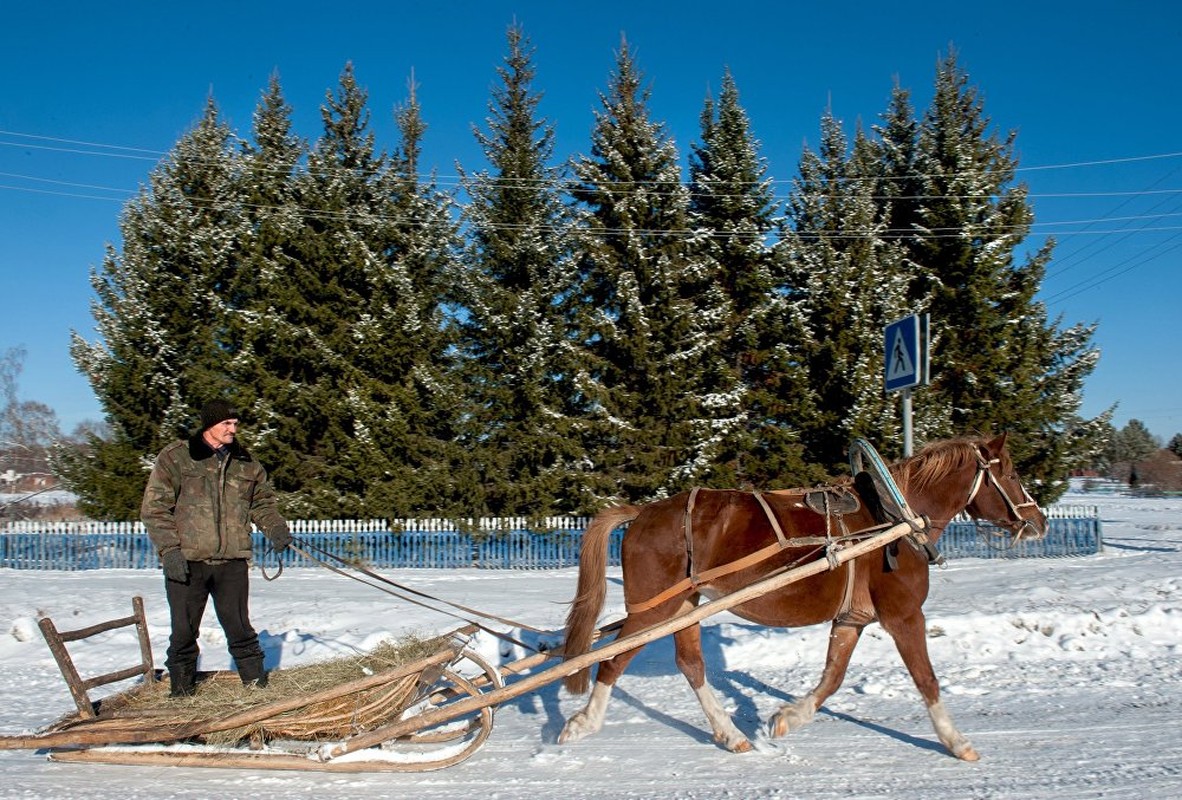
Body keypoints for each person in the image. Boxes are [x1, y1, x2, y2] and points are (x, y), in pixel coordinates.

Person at [141, 399, 293, 697]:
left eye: (235, 423)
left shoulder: (246, 463)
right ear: (209, 425)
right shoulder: (177, 458)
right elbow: (154, 508)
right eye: (226, 423)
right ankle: (182, 698)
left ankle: (257, 694)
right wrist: (169, 550)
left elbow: (261, 502)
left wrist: (274, 527)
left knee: (240, 629)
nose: (233, 429)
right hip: (187, 562)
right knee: (184, 633)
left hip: (232, 562)